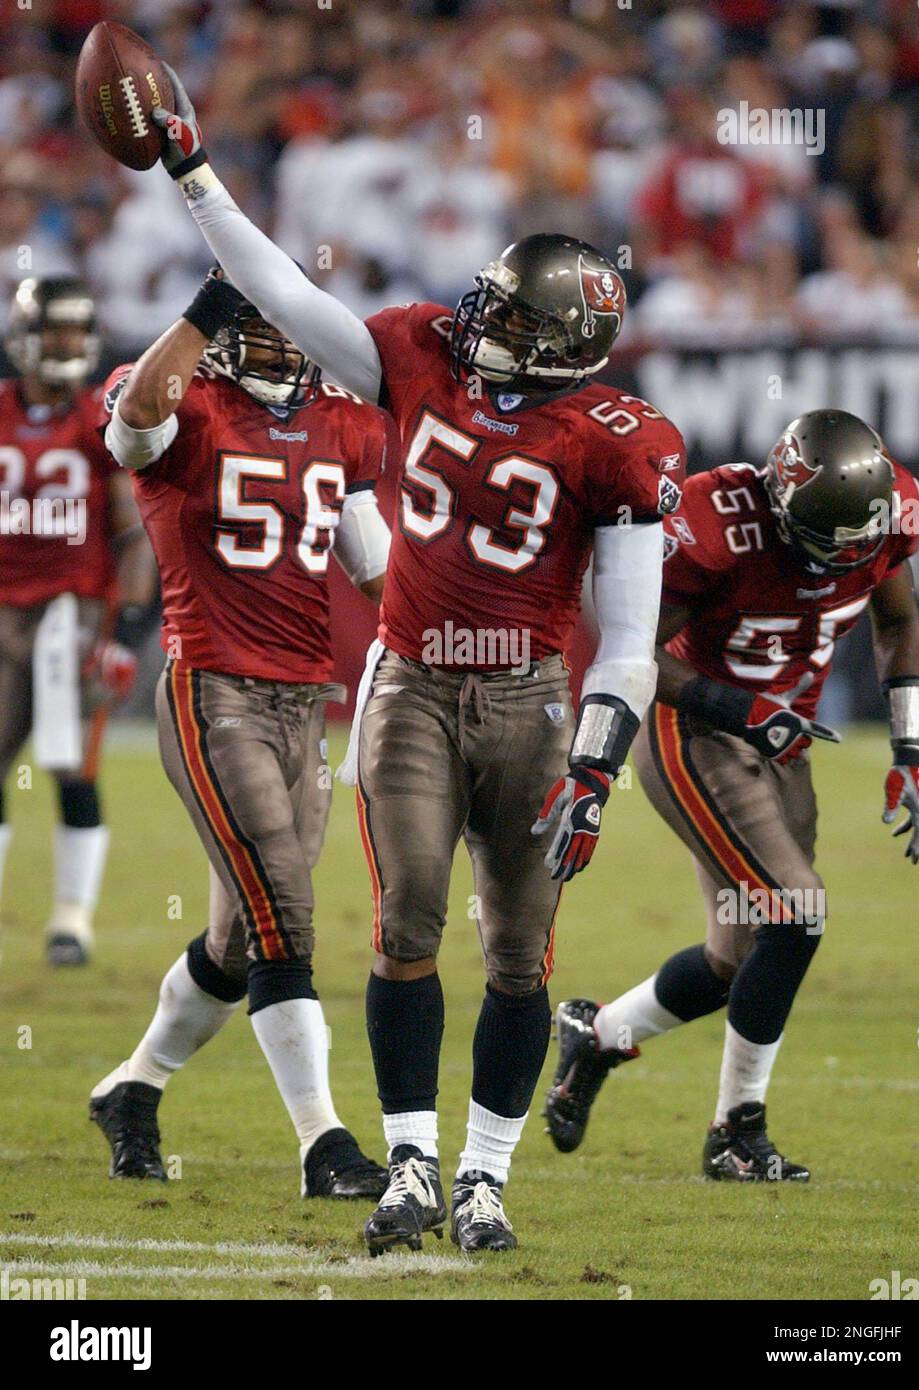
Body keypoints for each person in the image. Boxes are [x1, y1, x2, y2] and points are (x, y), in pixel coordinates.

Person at [130, 66, 686, 1253]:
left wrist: (597, 766)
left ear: (566, 348)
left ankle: (487, 1175)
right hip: (414, 683)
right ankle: (411, 1164)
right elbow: (275, 282)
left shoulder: (618, 443)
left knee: (522, 954)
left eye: (515, 319)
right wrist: (192, 172)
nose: (481, 322)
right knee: (405, 929)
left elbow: (631, 638)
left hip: (535, 701)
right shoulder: (415, 350)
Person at [545, 411, 919, 1180]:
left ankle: (598, 1035)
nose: (852, 556)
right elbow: (636, 651)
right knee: (797, 910)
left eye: (863, 538)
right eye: (833, 541)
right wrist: (739, 710)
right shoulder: (715, 523)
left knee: (737, 956)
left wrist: (910, 746)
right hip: (699, 731)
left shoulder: (883, 513)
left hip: (784, 740)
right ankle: (735, 1131)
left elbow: (897, 623)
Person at [90, 269, 391, 1201]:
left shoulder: (343, 426)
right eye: (262, 325)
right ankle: (323, 1143)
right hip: (211, 687)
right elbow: (137, 413)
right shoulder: (187, 401)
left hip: (306, 700)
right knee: (284, 916)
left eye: (295, 328)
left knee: (236, 937)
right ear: (221, 332)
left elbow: (378, 568)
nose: (286, 345)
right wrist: (203, 309)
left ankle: (131, 1089)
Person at [0, 275, 153, 965]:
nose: (64, 344)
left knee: (72, 767)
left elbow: (132, 536)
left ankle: (71, 919)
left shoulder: (99, 419)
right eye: (53, 331)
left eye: (74, 331)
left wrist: (122, 634)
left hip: (74, 613)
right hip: (2, 613)